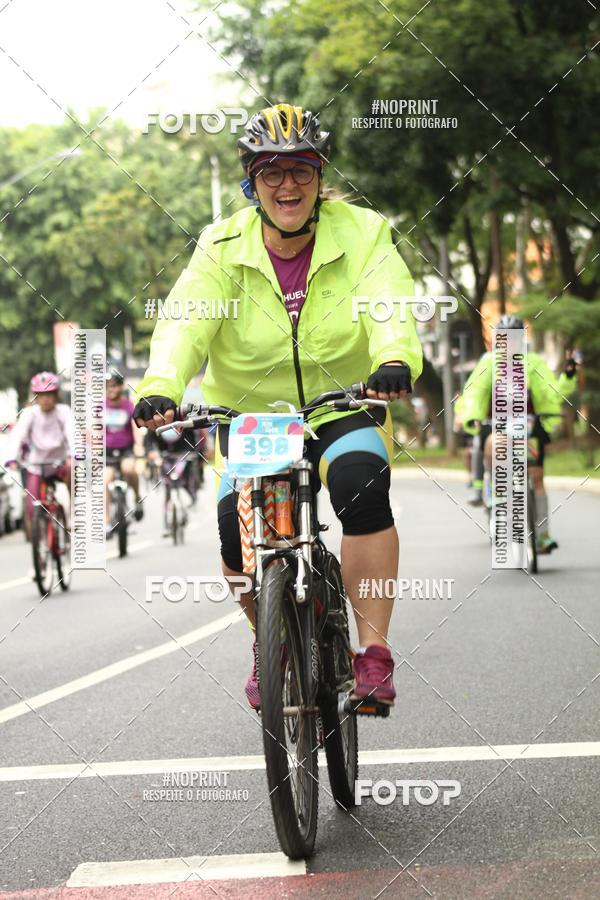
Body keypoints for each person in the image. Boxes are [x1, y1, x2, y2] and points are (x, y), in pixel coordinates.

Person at [133, 103, 423, 709]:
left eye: (301, 169)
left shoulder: (364, 231)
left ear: (319, 177)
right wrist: (159, 385)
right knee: (233, 536)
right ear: (251, 181)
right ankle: (274, 642)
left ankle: (371, 654)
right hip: (252, 417)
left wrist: (394, 358)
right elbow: (186, 322)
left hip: (343, 402)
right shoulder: (219, 245)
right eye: (271, 172)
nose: (287, 184)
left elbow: (388, 297)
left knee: (361, 488)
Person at [460, 314, 578, 553]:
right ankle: (494, 496)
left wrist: (568, 377)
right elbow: (473, 393)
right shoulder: (488, 363)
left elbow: (552, 392)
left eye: (514, 337)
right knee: (493, 444)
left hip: (528, 428)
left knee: (536, 476)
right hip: (496, 425)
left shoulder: (533, 362)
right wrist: (472, 415)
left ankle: (543, 535)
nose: (509, 342)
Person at [3, 372, 71, 541]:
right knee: (32, 506)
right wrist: (11, 457)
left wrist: (75, 453)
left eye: (49, 395)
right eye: (41, 395)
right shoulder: (29, 414)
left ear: (56, 395)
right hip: (37, 465)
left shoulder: (63, 411)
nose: (45, 399)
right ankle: (40, 545)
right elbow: (17, 435)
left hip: (60, 463)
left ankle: (74, 515)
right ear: (36, 397)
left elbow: (72, 433)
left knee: (74, 472)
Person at [144, 424, 206, 534]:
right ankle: (168, 521)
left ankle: (192, 497)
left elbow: (194, 441)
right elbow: (148, 442)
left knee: (186, 480)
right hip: (164, 456)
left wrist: (195, 453)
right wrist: (152, 454)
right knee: (167, 486)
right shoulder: (156, 420)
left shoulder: (182, 419)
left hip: (183, 454)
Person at [105, 369, 143, 536]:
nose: (110, 390)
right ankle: (106, 521)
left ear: (121, 386)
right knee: (105, 481)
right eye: (106, 387)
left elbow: (136, 430)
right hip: (106, 452)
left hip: (125, 450)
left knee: (129, 469)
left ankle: (137, 497)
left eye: (113, 386)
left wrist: (139, 447)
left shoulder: (129, 405)